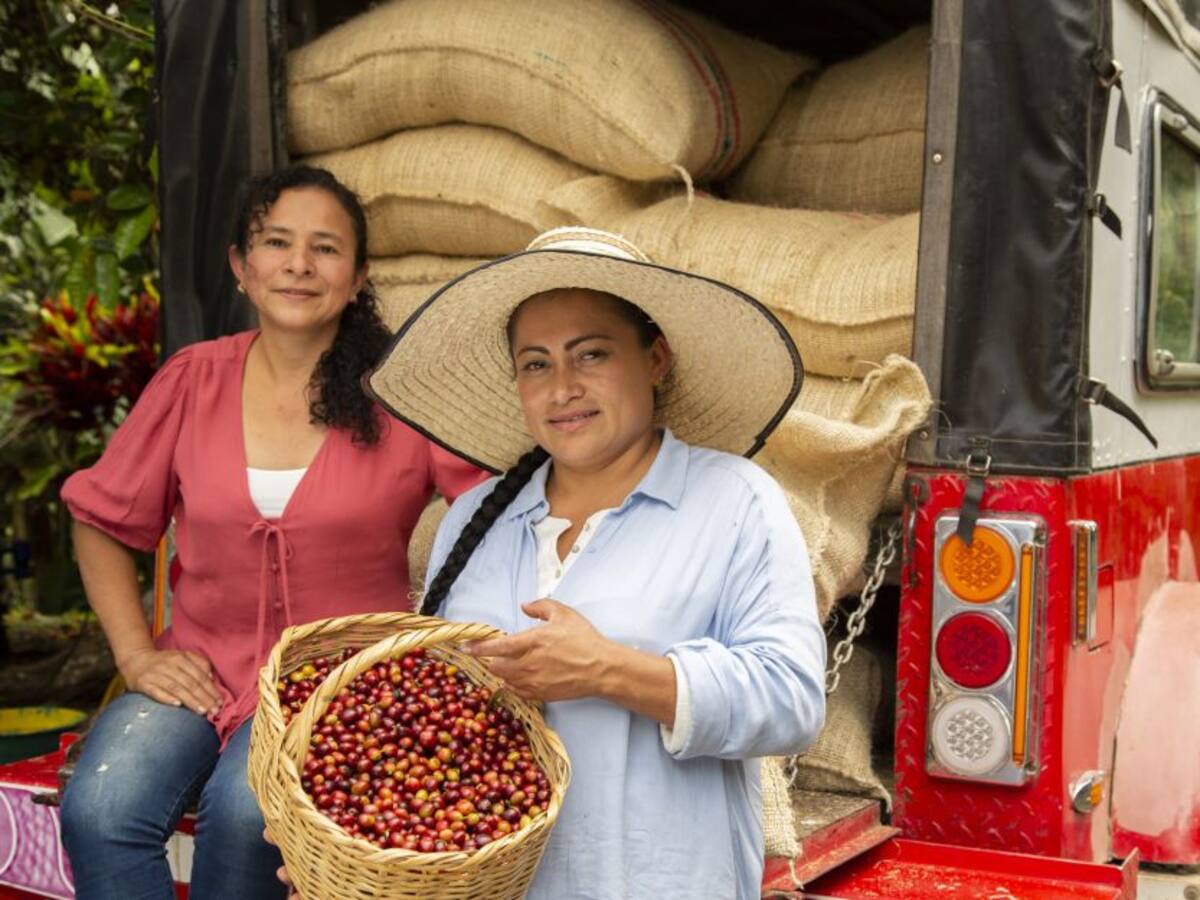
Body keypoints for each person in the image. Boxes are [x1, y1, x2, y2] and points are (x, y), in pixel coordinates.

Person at [57, 165, 486, 900]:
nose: (298, 264)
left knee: (246, 814)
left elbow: (496, 513)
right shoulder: (194, 380)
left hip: (338, 685)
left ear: (358, 277)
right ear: (240, 267)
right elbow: (100, 518)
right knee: (99, 809)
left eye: (325, 248)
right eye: (276, 242)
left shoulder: (401, 392)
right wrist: (135, 653)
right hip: (200, 667)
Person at [362, 227, 827, 899]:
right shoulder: (475, 518)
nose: (563, 388)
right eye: (536, 364)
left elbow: (790, 700)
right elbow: (433, 726)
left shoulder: (731, 500)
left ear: (656, 359)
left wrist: (608, 669)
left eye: (593, 354)